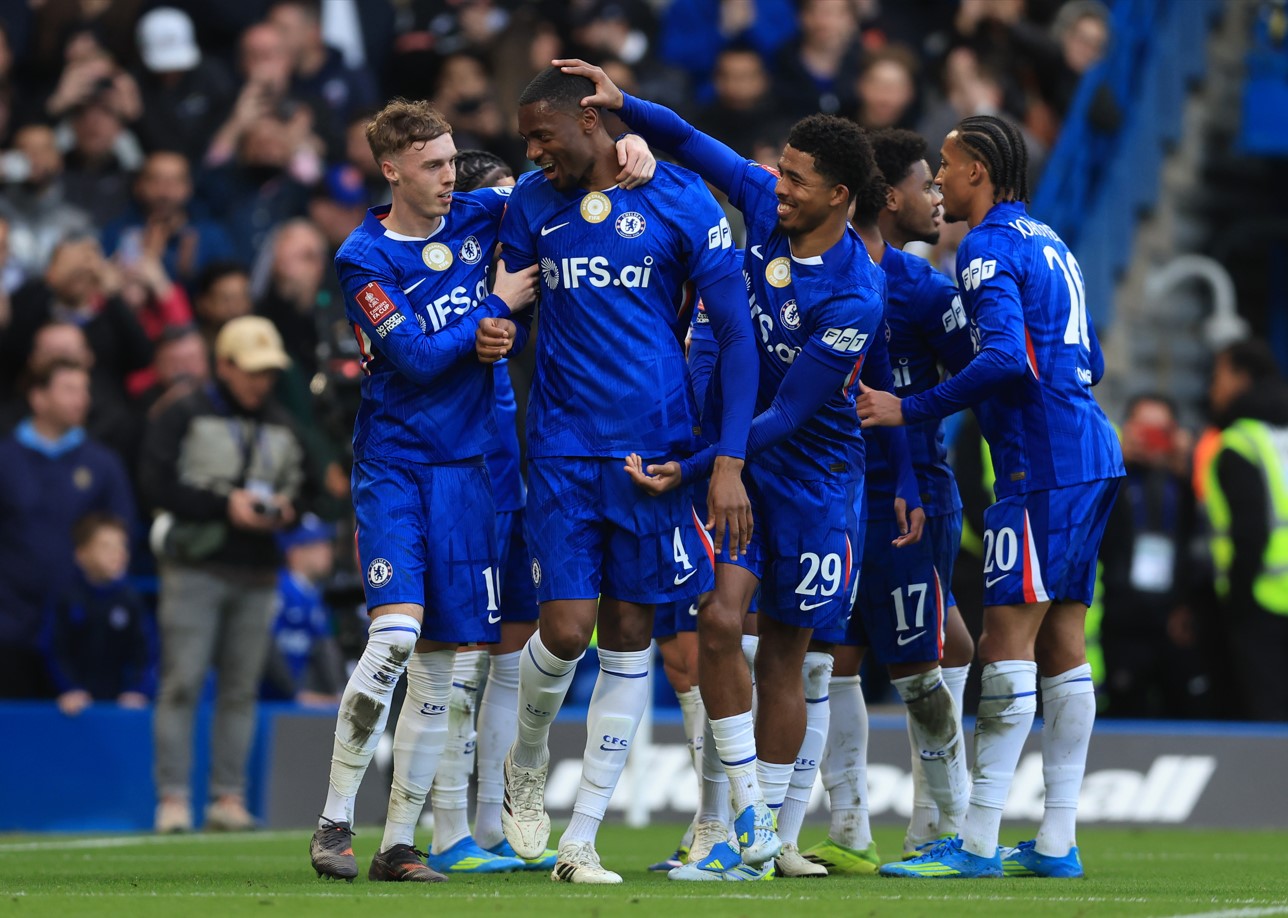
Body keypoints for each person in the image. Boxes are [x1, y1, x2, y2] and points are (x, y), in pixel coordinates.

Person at [563, 59, 893, 882]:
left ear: (838, 198)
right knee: (717, 624)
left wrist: (702, 465)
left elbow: (794, 413)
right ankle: (736, 824)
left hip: (812, 481)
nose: (777, 186)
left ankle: (771, 839)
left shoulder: (858, 293)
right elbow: (684, 139)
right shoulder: (760, 205)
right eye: (780, 171)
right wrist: (621, 103)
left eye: (797, 179)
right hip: (740, 470)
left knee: (784, 651)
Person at [495, 66, 758, 885]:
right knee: (568, 630)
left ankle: (581, 842)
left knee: (634, 639)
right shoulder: (530, 204)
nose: (534, 153)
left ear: (588, 119)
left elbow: (738, 340)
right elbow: (494, 285)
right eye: (527, 142)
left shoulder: (681, 200)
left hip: (657, 455)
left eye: (543, 135)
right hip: (565, 448)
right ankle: (526, 762)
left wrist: (727, 461)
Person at [857, 114, 1124, 879]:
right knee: (1063, 646)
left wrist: (910, 407)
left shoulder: (984, 248)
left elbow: (1006, 357)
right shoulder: (1050, 242)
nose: (937, 179)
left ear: (977, 170)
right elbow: (1092, 359)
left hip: (1039, 465)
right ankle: (1054, 842)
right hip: (1088, 452)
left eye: (946, 164)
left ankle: (973, 843)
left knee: (1008, 640)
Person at [307, 98, 542, 884]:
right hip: (397, 465)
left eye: (451, 161)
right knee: (397, 637)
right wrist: (494, 309)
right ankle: (335, 820)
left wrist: (637, 148)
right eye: (435, 165)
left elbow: (573, 187)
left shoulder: (484, 212)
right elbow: (411, 356)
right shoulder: (362, 258)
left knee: (445, 664)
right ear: (392, 169)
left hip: (472, 469)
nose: (450, 177)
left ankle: (398, 844)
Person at [798, 128, 977, 876]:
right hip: (835, 488)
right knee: (834, 656)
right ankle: (850, 828)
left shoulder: (927, 288)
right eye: (925, 185)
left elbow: (979, 373)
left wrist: (909, 411)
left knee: (923, 656)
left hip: (913, 496)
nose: (937, 197)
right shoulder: (828, 273)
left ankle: (945, 826)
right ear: (889, 195)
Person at [140, 315, 313, 834]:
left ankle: (227, 799)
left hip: (257, 573)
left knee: (241, 689)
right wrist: (222, 506)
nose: (261, 382)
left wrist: (285, 509)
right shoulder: (184, 414)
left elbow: (306, 492)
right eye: (252, 371)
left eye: (268, 373)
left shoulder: (283, 422)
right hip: (195, 566)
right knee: (183, 683)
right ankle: (172, 799)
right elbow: (154, 484)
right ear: (224, 366)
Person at [0, 360, 135, 699]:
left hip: (82, 631)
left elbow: (123, 531)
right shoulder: (5, 458)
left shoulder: (103, 463)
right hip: (9, 626)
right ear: (38, 398)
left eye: (85, 390)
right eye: (70, 389)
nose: (82, 399)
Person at [1204, 341, 1288, 721]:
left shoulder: (1239, 443)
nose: (1212, 389)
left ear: (1243, 378)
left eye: (1218, 376)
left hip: (1261, 603)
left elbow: (1249, 533)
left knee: (1264, 717)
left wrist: (1236, 604)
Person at [47, 512, 151, 716]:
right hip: (72, 707)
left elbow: (146, 652)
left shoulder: (130, 600)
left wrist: (137, 691)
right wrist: (70, 689)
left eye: (122, 545)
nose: (118, 553)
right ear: (81, 554)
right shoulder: (67, 598)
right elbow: (55, 650)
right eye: (106, 546)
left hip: (118, 705)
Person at [261, 513, 346, 706]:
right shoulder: (279, 589)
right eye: (317, 545)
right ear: (295, 553)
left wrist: (338, 692)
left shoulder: (313, 593)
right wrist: (294, 694)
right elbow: (265, 646)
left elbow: (324, 647)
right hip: (266, 700)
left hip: (294, 697)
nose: (327, 551)